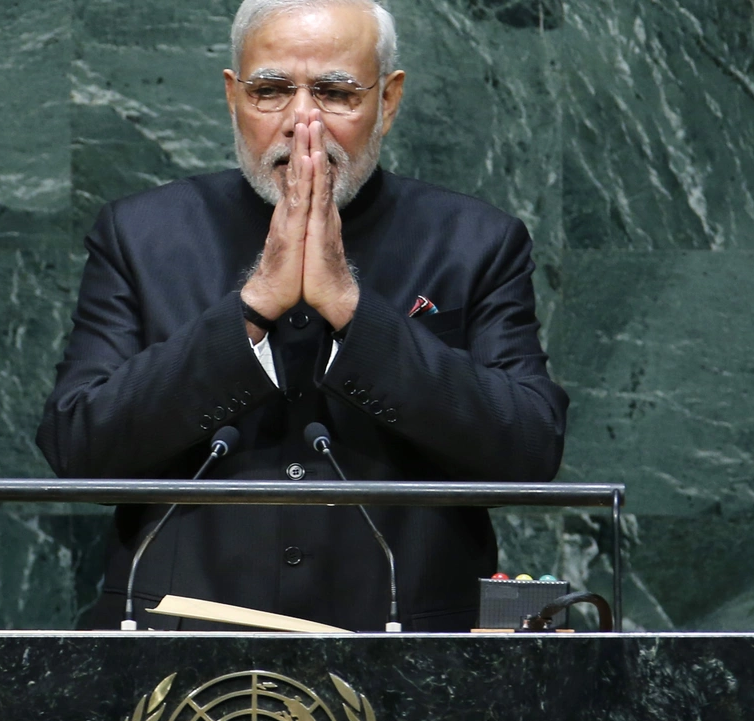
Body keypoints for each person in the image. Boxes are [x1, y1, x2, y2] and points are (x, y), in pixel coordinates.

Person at [37, 0, 568, 632]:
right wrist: (254, 304)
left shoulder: (476, 242)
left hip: (409, 659)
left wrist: (352, 309)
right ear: (233, 96)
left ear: (388, 101)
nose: (302, 122)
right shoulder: (139, 235)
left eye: (335, 93)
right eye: (271, 91)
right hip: (179, 659)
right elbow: (80, 452)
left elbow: (530, 450)